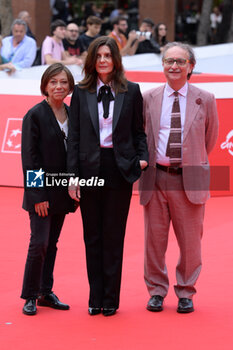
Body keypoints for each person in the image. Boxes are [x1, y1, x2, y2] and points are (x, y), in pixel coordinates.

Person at [67, 36, 148, 316]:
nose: (103, 60)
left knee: (114, 236)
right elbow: (74, 138)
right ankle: (95, 297)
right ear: (92, 60)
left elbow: (139, 132)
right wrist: (73, 176)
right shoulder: (81, 92)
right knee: (93, 237)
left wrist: (142, 158)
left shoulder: (132, 91)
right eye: (98, 55)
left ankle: (111, 299)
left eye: (108, 55)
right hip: (89, 168)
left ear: (116, 59)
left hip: (119, 168)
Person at [139, 42, 219, 314]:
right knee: (154, 241)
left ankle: (186, 291)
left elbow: (209, 140)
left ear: (190, 67)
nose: (173, 66)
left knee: (191, 242)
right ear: (162, 65)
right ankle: (156, 291)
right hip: (155, 177)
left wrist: (188, 160)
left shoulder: (205, 98)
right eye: (168, 61)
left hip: (192, 176)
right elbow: (143, 135)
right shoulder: (148, 97)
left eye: (180, 62)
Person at [21, 63, 76, 316]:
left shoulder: (72, 112)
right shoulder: (35, 114)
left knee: (52, 243)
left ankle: (45, 291)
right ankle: (30, 295)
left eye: (63, 82)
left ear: (70, 86)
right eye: (53, 82)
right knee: (39, 243)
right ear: (45, 85)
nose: (59, 86)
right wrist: (37, 195)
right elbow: (30, 158)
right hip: (42, 191)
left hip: (62, 191)